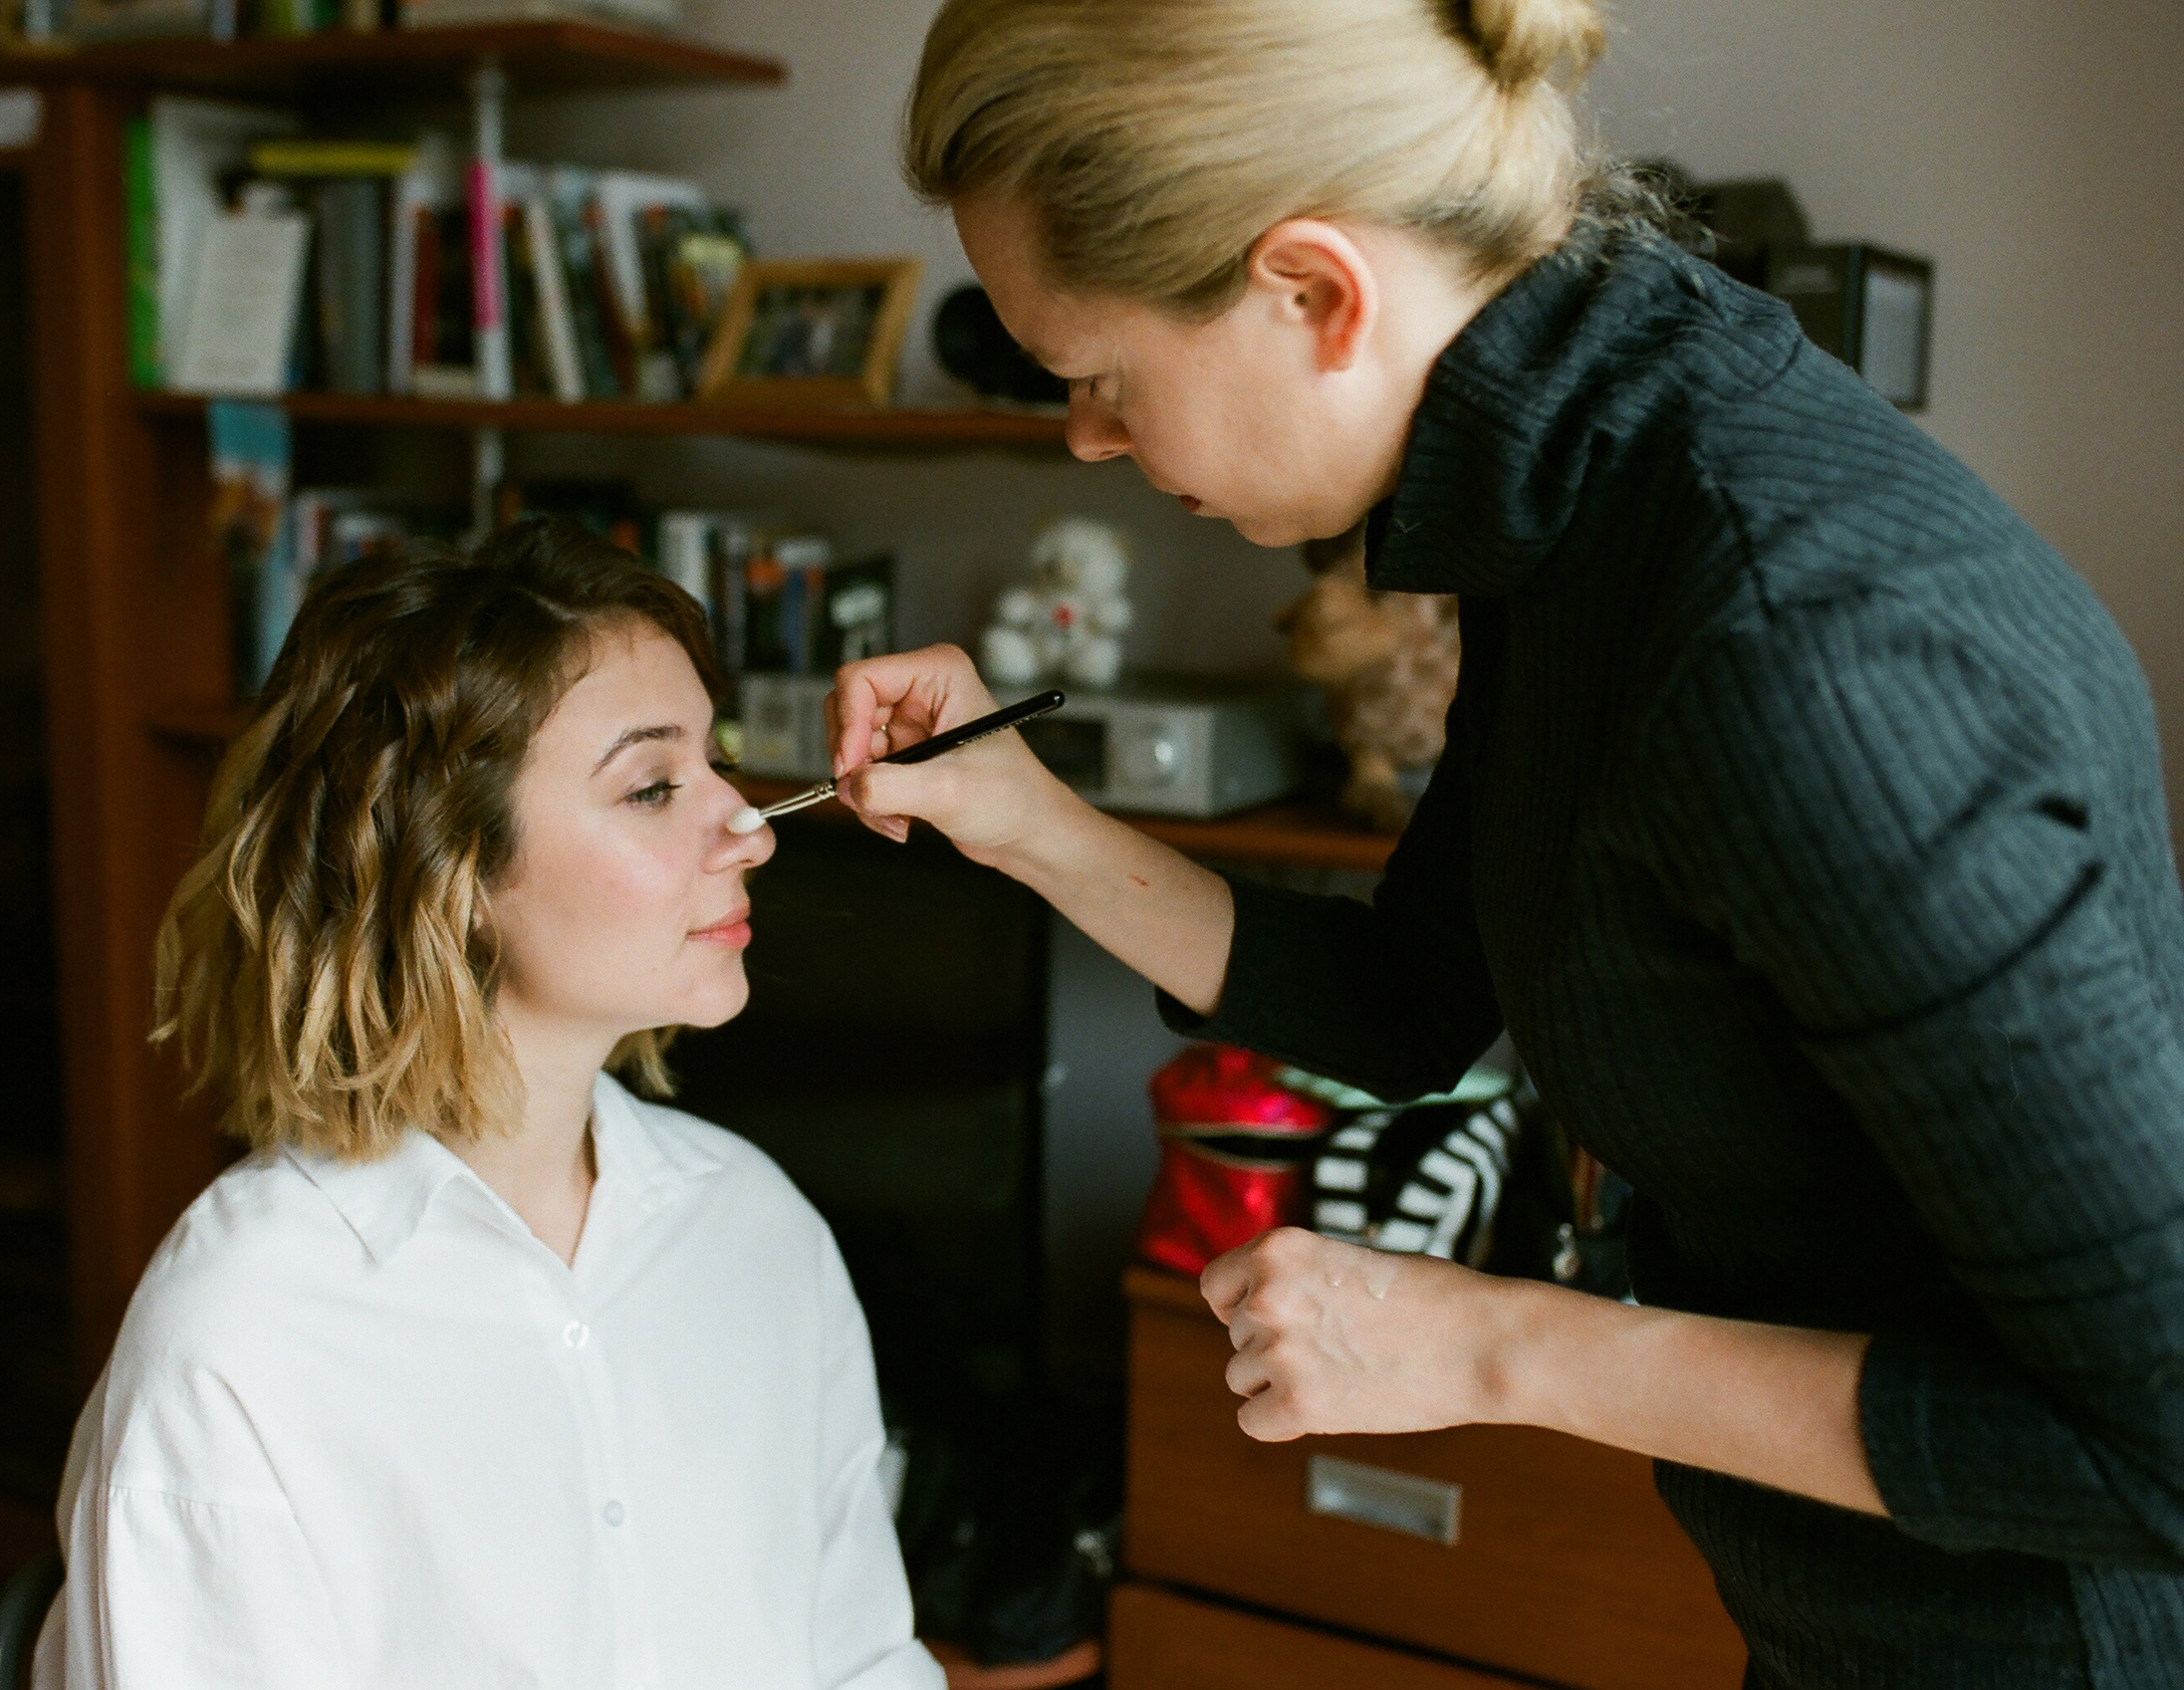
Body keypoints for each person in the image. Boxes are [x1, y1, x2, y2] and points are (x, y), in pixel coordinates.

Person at [825, 2, 2184, 1687]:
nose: (1088, 439)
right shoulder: (1584, 479)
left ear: (1316, 292)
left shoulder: (1791, 647)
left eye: (1100, 378)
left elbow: (2162, 1437)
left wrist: (1501, 1344)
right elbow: (1414, 996)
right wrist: (1024, 822)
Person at [35, 522, 942, 1690]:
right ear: (449, 872)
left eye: (715, 763)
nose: (749, 827)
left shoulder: (756, 1227)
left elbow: (865, 1658)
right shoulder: (241, 1338)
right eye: (653, 785)